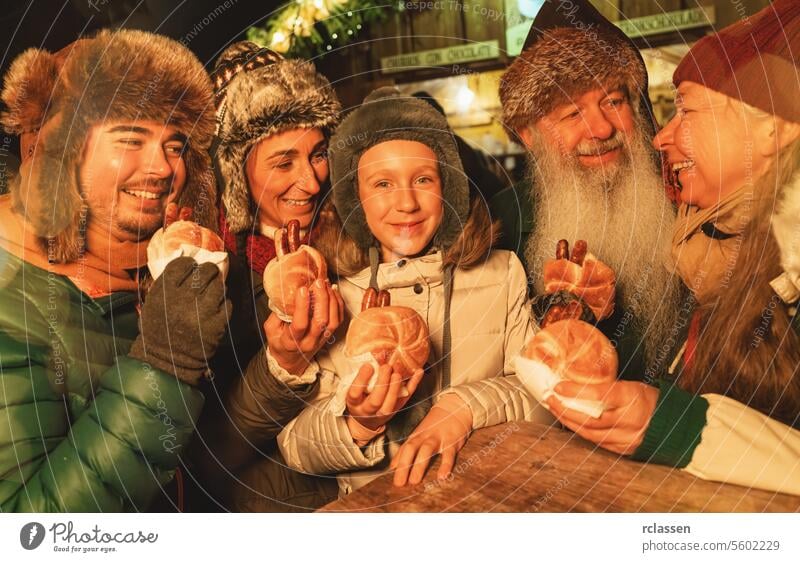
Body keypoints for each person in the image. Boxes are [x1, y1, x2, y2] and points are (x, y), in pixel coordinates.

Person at [546, 0, 800, 496]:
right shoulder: (712, 241)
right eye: (570, 112)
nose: (662, 134)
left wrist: (680, 427)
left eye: (686, 108)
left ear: (773, 127)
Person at [274, 87, 552, 502]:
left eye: (423, 179)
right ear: (356, 200)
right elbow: (294, 446)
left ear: (449, 189)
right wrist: (359, 424)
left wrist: (465, 407)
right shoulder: (334, 296)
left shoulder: (502, 274)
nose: (406, 203)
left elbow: (546, 395)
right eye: (382, 183)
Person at [0, 30, 229, 511]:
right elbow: (26, 531)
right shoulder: (9, 298)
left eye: (175, 144)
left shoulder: (156, 277)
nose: (164, 168)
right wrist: (164, 366)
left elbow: (198, 465)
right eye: (131, 138)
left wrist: (285, 369)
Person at [190, 41, 345, 511]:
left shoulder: (359, 231)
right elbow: (210, 459)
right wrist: (284, 368)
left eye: (318, 154)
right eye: (283, 163)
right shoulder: (209, 272)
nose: (313, 183)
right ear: (235, 171)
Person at [494, 0, 683, 381]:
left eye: (613, 102)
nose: (600, 129)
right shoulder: (501, 226)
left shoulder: (688, 198)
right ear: (531, 136)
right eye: (571, 114)